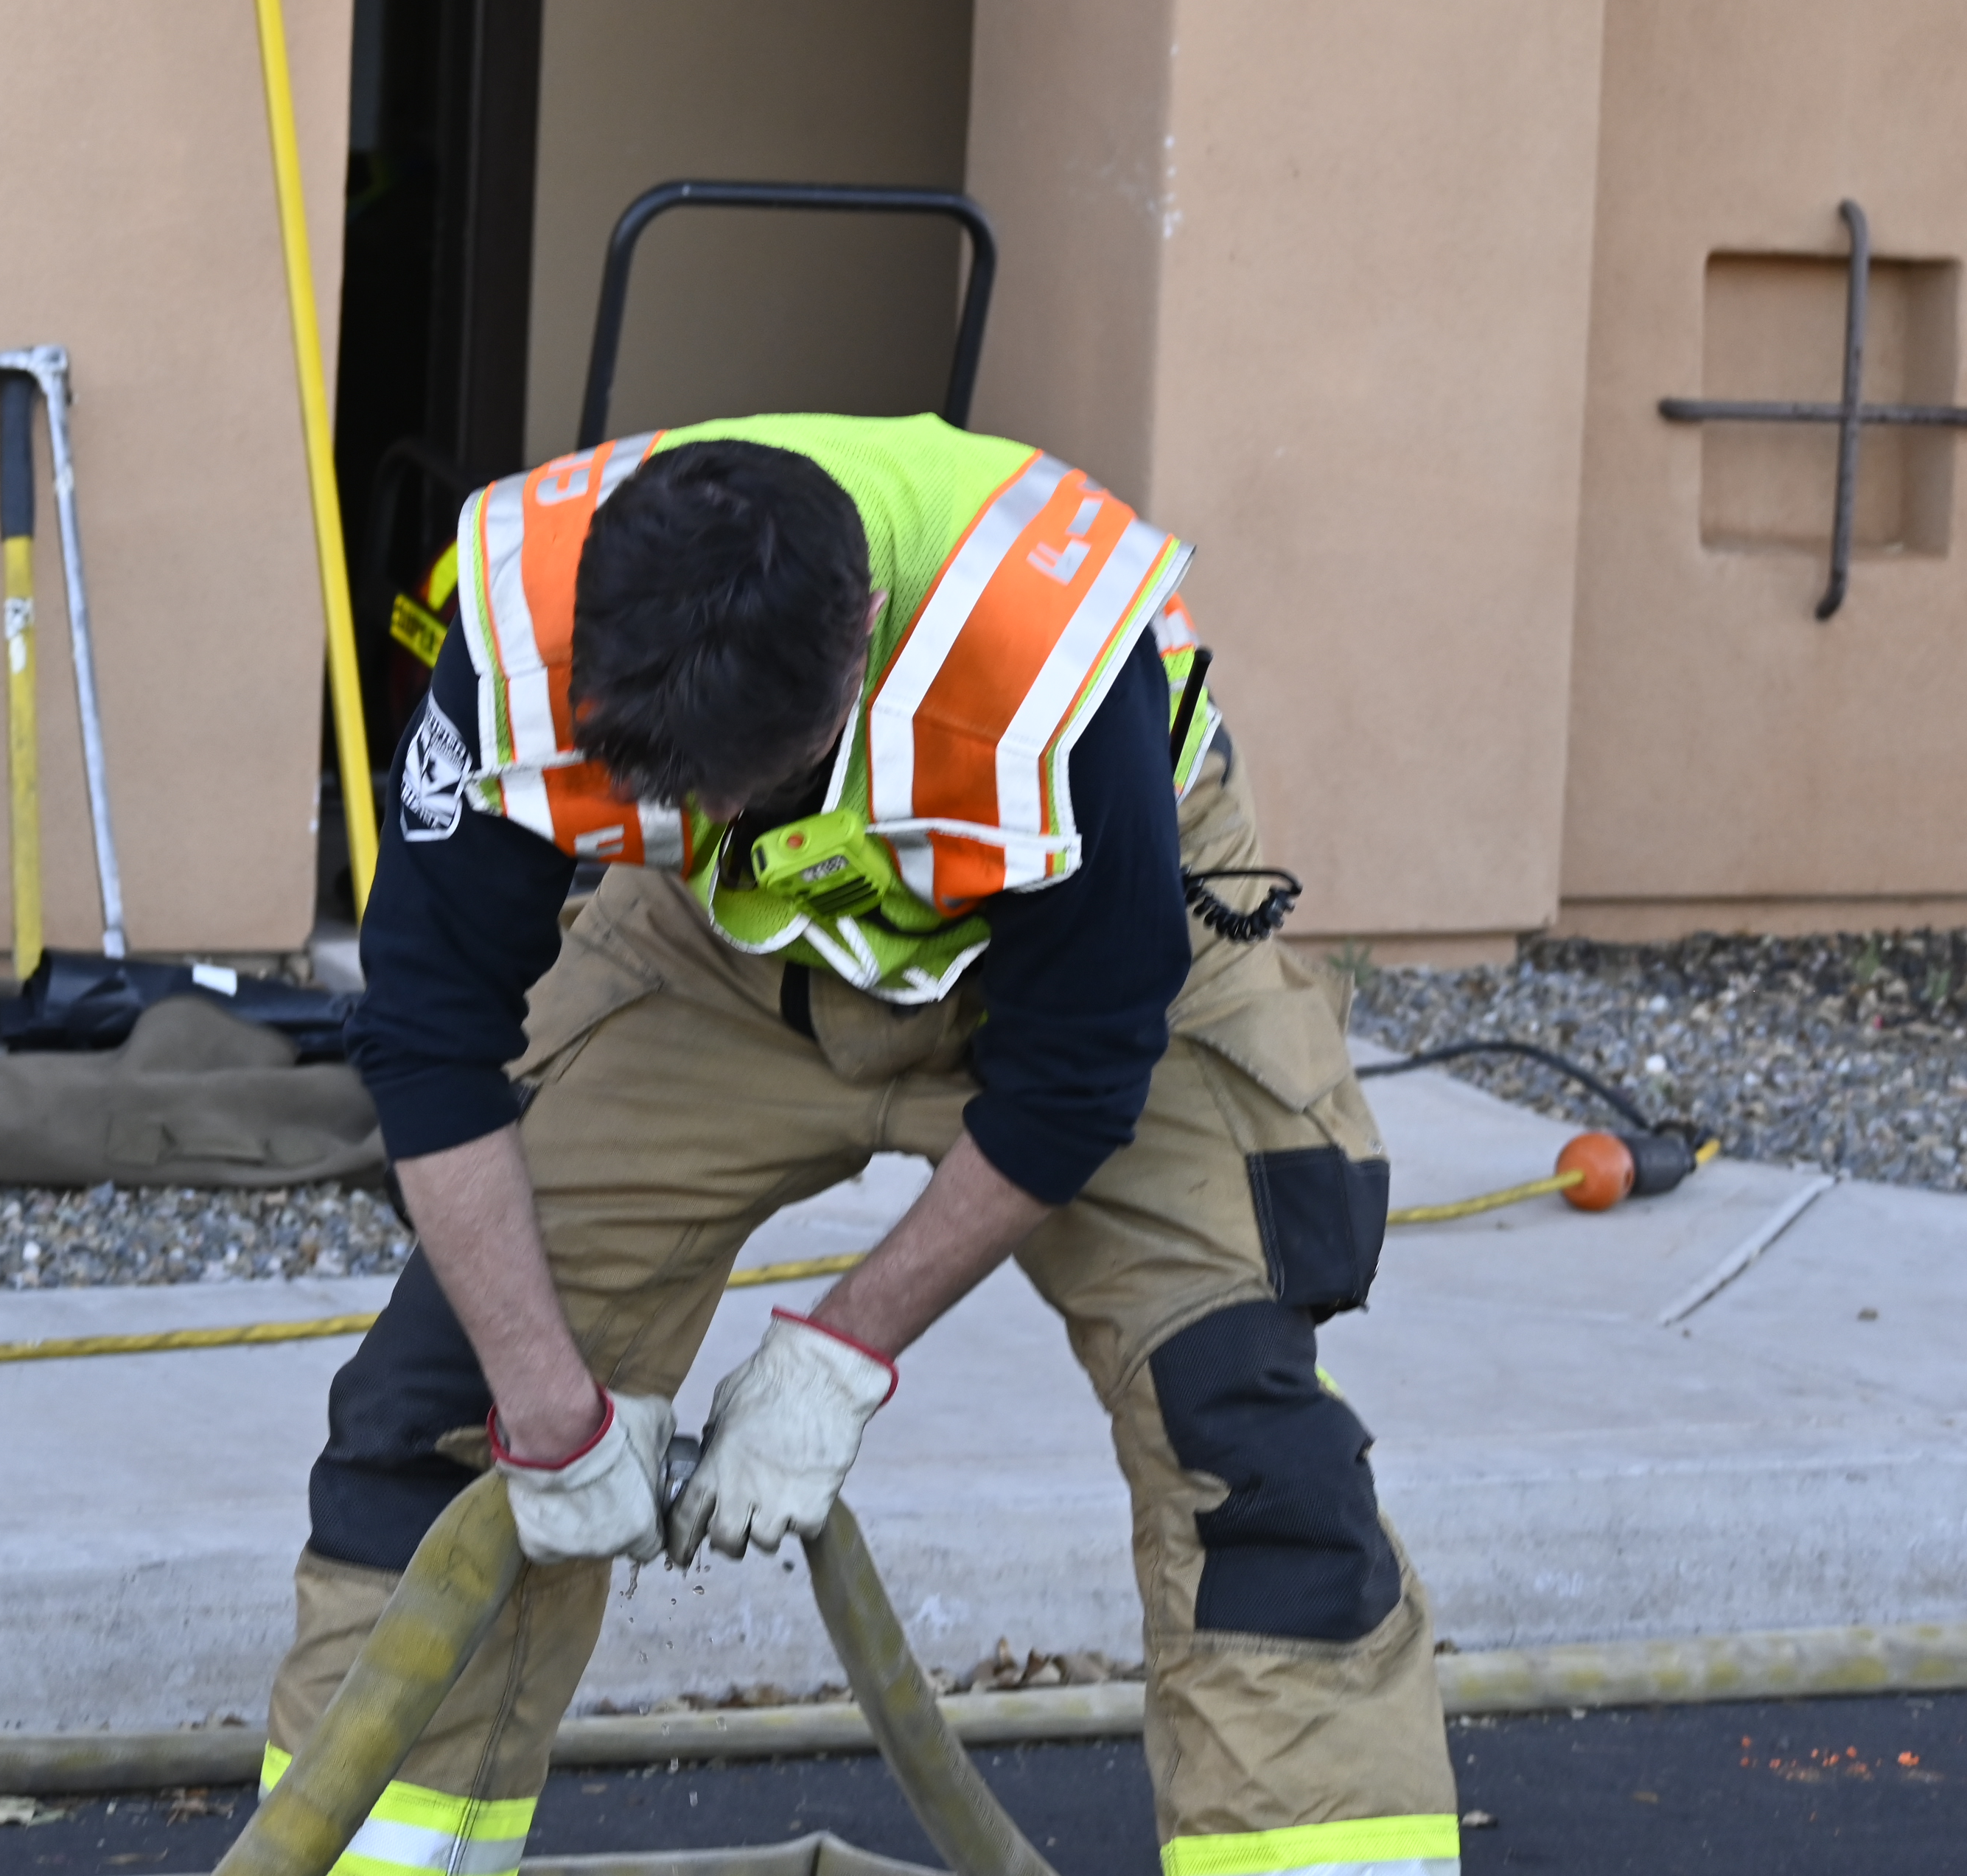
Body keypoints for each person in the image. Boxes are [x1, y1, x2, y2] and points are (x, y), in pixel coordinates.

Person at [264, 414, 1463, 1874]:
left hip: (1089, 950)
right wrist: (544, 1397)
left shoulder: (1051, 660)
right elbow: (427, 1032)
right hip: (723, 948)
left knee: (1249, 1443)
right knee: (445, 1408)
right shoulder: (523, 624)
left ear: (862, 649)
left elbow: (1076, 1079)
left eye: (746, 776)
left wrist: (839, 1356)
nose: (709, 808)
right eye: (675, 787)